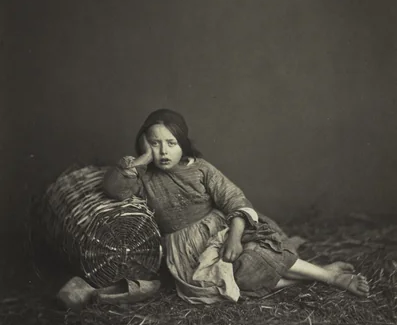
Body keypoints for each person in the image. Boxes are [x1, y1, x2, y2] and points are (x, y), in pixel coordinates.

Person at [103, 109, 369, 305]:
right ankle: (320, 274)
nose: (162, 151)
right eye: (154, 143)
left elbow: (235, 199)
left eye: (171, 143)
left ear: (182, 144)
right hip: (186, 250)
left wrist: (233, 237)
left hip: (222, 231)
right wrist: (141, 159)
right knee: (229, 282)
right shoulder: (141, 176)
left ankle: (330, 277)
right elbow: (112, 189)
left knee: (256, 256)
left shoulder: (200, 169)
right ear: (143, 142)